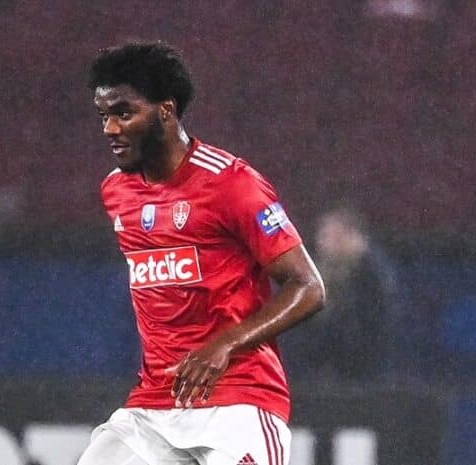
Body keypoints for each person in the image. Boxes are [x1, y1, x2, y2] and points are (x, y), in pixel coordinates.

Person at [79, 42, 325, 465]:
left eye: (123, 113)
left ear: (166, 111)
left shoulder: (232, 183)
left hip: (238, 400)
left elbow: (308, 287)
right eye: (104, 116)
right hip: (154, 407)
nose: (110, 129)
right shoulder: (116, 191)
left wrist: (224, 344)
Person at [307, 205, 402, 381]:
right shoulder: (322, 273)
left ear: (351, 236)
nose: (321, 243)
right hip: (331, 374)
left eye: (330, 236)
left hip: (368, 374)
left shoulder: (373, 276)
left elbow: (370, 330)